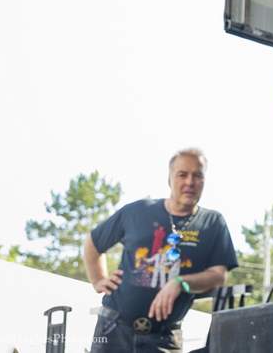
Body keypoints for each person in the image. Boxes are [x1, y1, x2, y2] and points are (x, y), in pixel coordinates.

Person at [83, 148, 238, 352]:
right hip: (114, 330)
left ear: (204, 180)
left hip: (164, 338)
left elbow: (218, 276)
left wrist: (180, 283)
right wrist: (98, 280)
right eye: (182, 174)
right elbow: (92, 244)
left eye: (197, 175)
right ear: (170, 178)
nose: (190, 182)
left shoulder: (212, 223)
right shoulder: (137, 211)